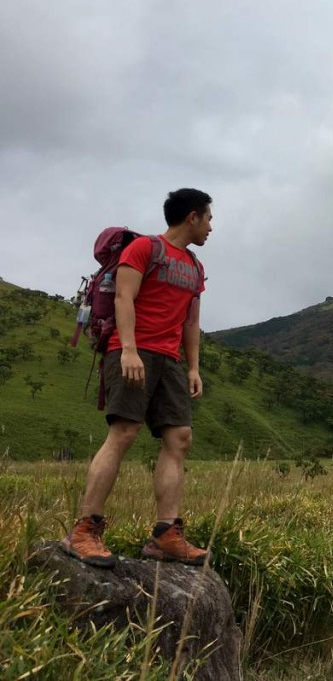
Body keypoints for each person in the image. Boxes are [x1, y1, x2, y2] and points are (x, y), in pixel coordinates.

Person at [61, 188, 214, 567]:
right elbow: (123, 298)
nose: (212, 227)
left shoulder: (195, 268)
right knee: (124, 432)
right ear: (192, 216)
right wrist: (127, 348)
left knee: (179, 438)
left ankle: (166, 534)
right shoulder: (144, 249)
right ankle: (84, 530)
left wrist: (192, 367)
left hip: (169, 360)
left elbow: (191, 321)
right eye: (209, 218)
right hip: (131, 352)